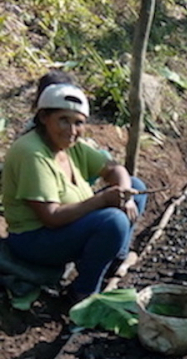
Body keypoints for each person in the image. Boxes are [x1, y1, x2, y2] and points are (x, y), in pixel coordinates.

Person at [2, 83, 147, 302]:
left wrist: (125, 193)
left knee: (137, 186)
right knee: (113, 221)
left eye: (78, 123)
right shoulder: (31, 153)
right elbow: (51, 217)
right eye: (63, 120)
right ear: (43, 118)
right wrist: (101, 201)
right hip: (34, 239)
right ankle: (83, 291)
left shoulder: (71, 145)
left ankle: (114, 258)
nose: (71, 130)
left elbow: (114, 169)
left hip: (66, 228)